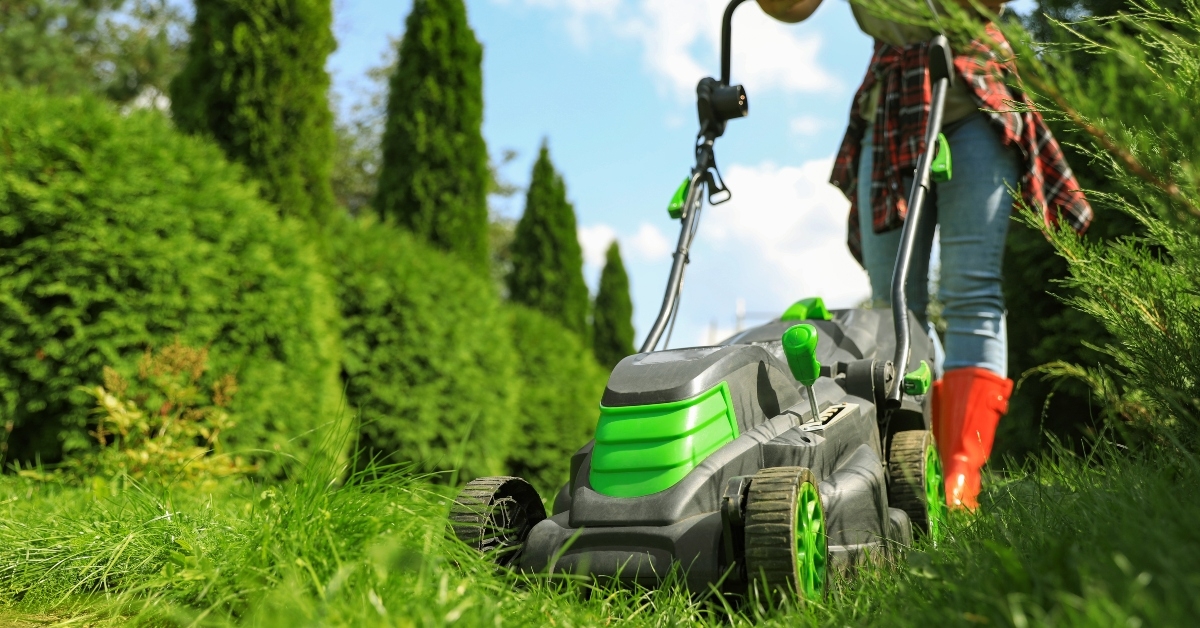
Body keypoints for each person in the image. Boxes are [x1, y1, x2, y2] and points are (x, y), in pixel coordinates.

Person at [757, 0, 1092, 509]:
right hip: (893, 104)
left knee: (970, 288)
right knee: (891, 308)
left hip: (970, 92)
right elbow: (789, 8)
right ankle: (910, 464)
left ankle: (961, 473)